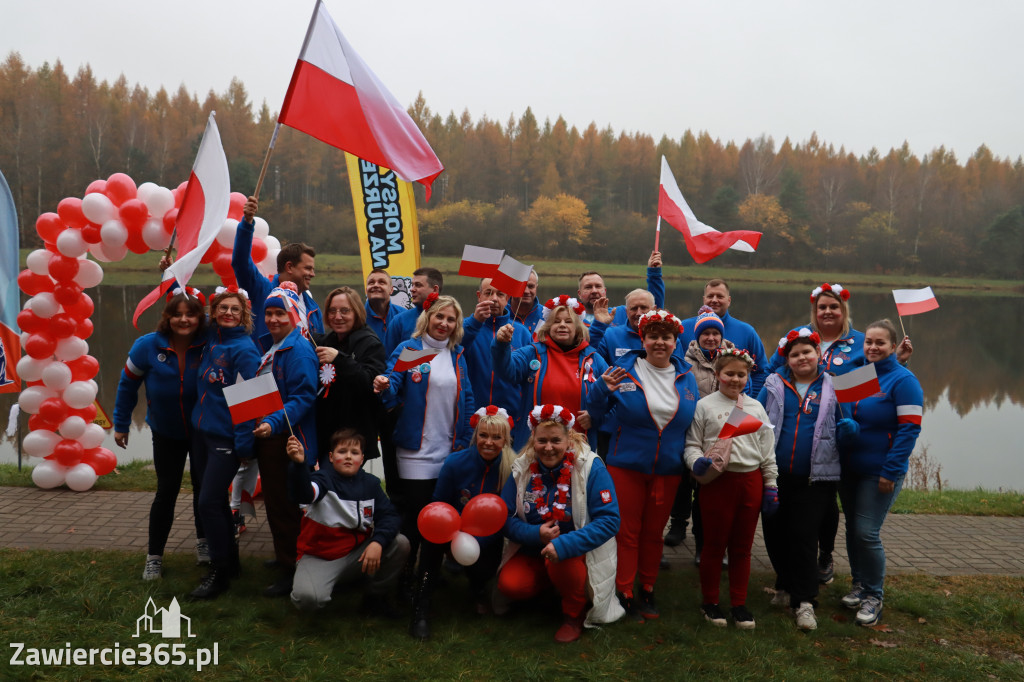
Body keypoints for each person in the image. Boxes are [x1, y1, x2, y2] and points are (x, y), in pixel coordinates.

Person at [764, 283, 913, 585]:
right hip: (805, 437)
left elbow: (879, 374)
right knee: (812, 501)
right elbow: (772, 371)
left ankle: (825, 555)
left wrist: (897, 360)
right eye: (822, 307)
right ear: (814, 311)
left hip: (848, 436)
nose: (828, 312)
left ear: (844, 308)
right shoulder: (799, 337)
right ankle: (801, 563)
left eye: (834, 306)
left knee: (829, 504)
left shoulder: (861, 341)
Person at [587, 310, 698, 622]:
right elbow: (594, 413)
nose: (659, 342)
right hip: (627, 465)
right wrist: (600, 390)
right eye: (653, 336)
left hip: (668, 469)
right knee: (627, 532)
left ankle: (647, 587)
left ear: (676, 341)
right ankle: (625, 591)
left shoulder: (686, 376)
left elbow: (691, 423)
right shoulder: (622, 371)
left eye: (666, 337)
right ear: (643, 338)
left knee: (653, 533)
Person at [374, 295, 474, 600]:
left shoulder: (456, 355)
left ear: (456, 324)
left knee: (440, 516)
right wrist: (383, 385)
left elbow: (467, 399)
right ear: (427, 317)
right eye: (439, 317)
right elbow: (394, 384)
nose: (444, 323)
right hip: (415, 452)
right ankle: (404, 579)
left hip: (449, 451)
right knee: (415, 519)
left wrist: (465, 439)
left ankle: (428, 576)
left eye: (451, 319)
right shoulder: (413, 349)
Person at [498, 405, 623, 642]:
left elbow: (609, 520)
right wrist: (536, 533)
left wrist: (564, 544)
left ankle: (573, 615)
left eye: (556, 440)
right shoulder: (522, 467)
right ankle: (552, 590)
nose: (548, 448)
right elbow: (505, 517)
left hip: (575, 553)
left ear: (569, 438)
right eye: (542, 440)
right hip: (534, 548)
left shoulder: (590, 466)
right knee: (511, 585)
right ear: (533, 439)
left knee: (561, 564)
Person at [113, 288, 207, 580]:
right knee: (166, 492)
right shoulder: (147, 346)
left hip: (204, 431)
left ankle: (205, 544)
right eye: (177, 314)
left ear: (199, 317)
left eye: (190, 314)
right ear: (168, 316)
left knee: (205, 491)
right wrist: (121, 423)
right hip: (166, 432)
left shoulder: (211, 344)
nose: (184, 320)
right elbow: (127, 385)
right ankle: (154, 556)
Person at [836, 319, 923, 627]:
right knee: (852, 530)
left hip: (881, 471)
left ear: (893, 346)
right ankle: (859, 584)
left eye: (880, 343)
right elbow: (841, 399)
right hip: (850, 468)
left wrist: (892, 469)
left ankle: (874, 595)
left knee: (866, 532)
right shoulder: (862, 374)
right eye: (868, 342)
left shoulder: (904, 381)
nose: (873, 347)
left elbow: (910, 429)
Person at [684, 348, 777, 629]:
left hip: (750, 482)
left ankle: (739, 603)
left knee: (742, 547)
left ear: (748, 376)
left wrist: (771, 484)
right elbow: (692, 444)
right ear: (717, 374)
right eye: (729, 373)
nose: (735, 379)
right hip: (717, 483)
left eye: (741, 374)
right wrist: (695, 462)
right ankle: (710, 602)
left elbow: (767, 451)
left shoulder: (755, 407)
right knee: (714, 545)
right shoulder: (704, 406)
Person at [758, 328, 842, 631]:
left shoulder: (837, 384)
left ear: (818, 354)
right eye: (795, 354)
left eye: (807, 351)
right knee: (775, 534)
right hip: (775, 476)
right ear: (787, 359)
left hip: (815, 479)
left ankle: (805, 602)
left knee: (804, 538)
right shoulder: (772, 385)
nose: (802, 357)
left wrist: (852, 428)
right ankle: (783, 584)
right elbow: (753, 416)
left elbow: (865, 407)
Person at [409, 406, 517, 639]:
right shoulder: (455, 462)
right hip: (451, 530)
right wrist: (451, 535)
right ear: (475, 435)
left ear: (506, 440)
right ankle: (422, 606)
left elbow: (507, 515)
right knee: (431, 542)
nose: (488, 442)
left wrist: (478, 540)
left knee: (484, 568)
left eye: (496, 437)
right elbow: (438, 503)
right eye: (483, 435)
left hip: (487, 537)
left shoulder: (513, 468)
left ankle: (478, 588)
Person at [285, 429, 410, 613]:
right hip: (321, 557)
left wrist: (377, 542)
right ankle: (331, 581)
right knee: (308, 600)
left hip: (356, 554)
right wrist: (299, 465)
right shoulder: (322, 479)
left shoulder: (371, 484)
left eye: (355, 452)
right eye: (342, 452)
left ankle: (374, 597)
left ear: (362, 458)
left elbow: (390, 517)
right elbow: (303, 493)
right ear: (331, 456)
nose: (348, 457)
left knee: (401, 543)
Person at [189, 288, 261, 600]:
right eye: (222, 308)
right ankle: (231, 563)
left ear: (244, 314)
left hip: (227, 439)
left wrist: (245, 446)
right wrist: (168, 272)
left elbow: (254, 402)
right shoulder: (212, 337)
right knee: (215, 502)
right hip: (203, 433)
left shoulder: (244, 349)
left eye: (235, 309)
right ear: (214, 311)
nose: (228, 313)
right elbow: (183, 308)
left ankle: (218, 573)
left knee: (207, 502)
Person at [252, 283, 320, 598]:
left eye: (280, 312)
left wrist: (272, 420)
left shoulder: (299, 349)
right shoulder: (275, 344)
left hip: (287, 438)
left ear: (293, 315)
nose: (273, 319)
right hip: (271, 435)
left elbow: (303, 396)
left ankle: (294, 570)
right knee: (277, 502)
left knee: (288, 507)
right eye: (268, 313)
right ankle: (284, 557)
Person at [492, 296, 608, 450]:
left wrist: (596, 416)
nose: (562, 325)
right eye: (556, 321)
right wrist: (501, 345)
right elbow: (506, 372)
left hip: (579, 448)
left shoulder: (594, 359)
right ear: (547, 326)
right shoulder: (532, 353)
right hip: (535, 447)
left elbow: (615, 398)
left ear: (578, 327)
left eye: (568, 322)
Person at [667, 306, 737, 555]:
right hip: (690, 429)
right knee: (684, 482)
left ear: (721, 336)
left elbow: (742, 393)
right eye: (705, 333)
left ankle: (703, 536)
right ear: (697, 337)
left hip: (720, 429)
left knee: (708, 487)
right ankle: (678, 523)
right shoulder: (685, 363)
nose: (710, 338)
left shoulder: (733, 360)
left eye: (715, 334)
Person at [232, 196, 322, 348]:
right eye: (307, 268)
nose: (312, 274)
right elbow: (241, 263)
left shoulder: (313, 307)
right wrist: (246, 224)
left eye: (312, 269)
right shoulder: (263, 291)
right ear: (289, 267)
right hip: (268, 370)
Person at [314, 286, 387, 461]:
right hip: (326, 433)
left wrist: (339, 359)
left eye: (344, 311)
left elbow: (370, 383)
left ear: (356, 312)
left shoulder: (370, 343)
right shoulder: (326, 340)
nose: (337, 317)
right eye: (332, 311)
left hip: (355, 438)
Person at [461, 277, 533, 448]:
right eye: (488, 293)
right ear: (479, 296)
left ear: (507, 299)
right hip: (472, 420)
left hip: (511, 422)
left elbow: (529, 375)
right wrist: (475, 322)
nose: (494, 298)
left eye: (500, 294)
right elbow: (453, 353)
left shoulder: (521, 332)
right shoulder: (464, 327)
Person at [680, 279, 770, 396]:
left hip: (735, 408)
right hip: (694, 407)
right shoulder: (683, 328)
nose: (714, 300)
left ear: (729, 300)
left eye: (720, 296)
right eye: (710, 296)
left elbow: (761, 372)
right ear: (704, 299)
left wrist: (750, 401)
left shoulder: (747, 332)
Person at [576, 251, 665, 327]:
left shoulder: (623, 313)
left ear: (605, 291)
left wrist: (654, 273)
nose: (594, 291)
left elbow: (652, 306)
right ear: (579, 294)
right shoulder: (570, 318)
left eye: (598, 286)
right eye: (588, 287)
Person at [384, 266, 443, 354]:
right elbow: (387, 359)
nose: (412, 289)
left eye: (418, 285)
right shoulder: (399, 321)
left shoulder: (450, 321)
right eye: (412, 285)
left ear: (435, 289)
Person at [364, 268, 401, 342]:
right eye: (371, 282)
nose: (376, 285)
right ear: (366, 290)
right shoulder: (357, 317)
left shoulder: (402, 315)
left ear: (391, 290)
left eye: (381, 282)